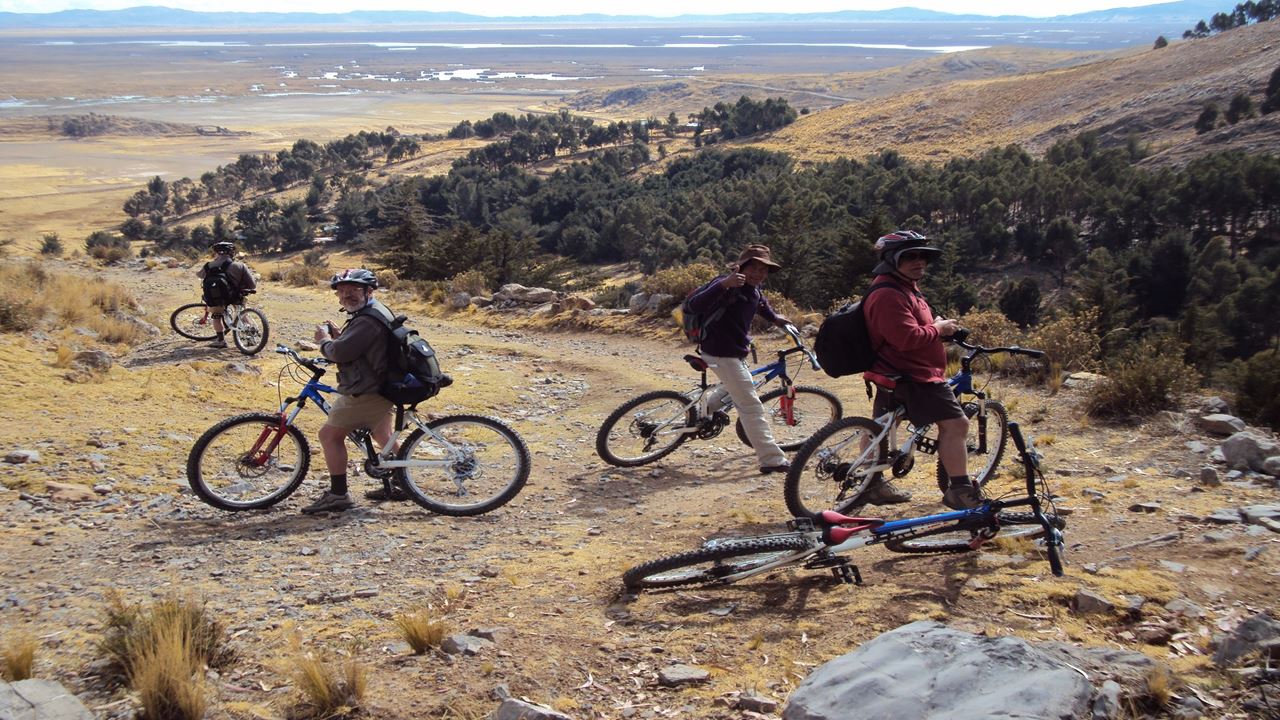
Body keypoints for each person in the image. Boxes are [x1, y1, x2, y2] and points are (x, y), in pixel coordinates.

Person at [860, 230, 979, 509]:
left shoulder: (902, 286)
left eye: (923, 256)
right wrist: (937, 329)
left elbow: (909, 327)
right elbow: (906, 339)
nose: (919, 262)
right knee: (956, 424)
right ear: (891, 259)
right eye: (910, 256)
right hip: (915, 374)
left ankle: (871, 484)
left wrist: (935, 326)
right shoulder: (889, 293)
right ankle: (960, 491)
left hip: (892, 370)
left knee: (882, 426)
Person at [684, 244, 793, 475]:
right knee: (751, 406)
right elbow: (693, 305)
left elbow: (760, 304)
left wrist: (776, 319)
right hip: (722, 353)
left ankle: (700, 412)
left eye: (763, 270)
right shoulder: (726, 284)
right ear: (742, 266)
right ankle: (771, 459)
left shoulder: (753, 289)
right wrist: (725, 284)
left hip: (731, 352)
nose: (758, 273)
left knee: (737, 386)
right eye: (753, 267)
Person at [302, 268, 401, 514]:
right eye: (342, 291)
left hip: (368, 391)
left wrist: (325, 340)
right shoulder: (373, 311)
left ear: (369, 291)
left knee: (329, 436)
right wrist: (341, 336)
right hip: (385, 386)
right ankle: (403, 482)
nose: (346, 296)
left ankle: (338, 495)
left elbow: (340, 353)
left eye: (354, 290)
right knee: (383, 435)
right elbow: (359, 346)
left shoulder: (367, 319)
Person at [197, 241, 256, 348]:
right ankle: (250, 338)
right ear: (232, 252)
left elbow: (200, 275)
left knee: (216, 316)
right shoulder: (239, 265)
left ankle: (221, 341)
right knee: (242, 313)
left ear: (216, 252)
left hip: (217, 297)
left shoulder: (208, 265)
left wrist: (213, 265)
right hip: (235, 296)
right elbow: (252, 285)